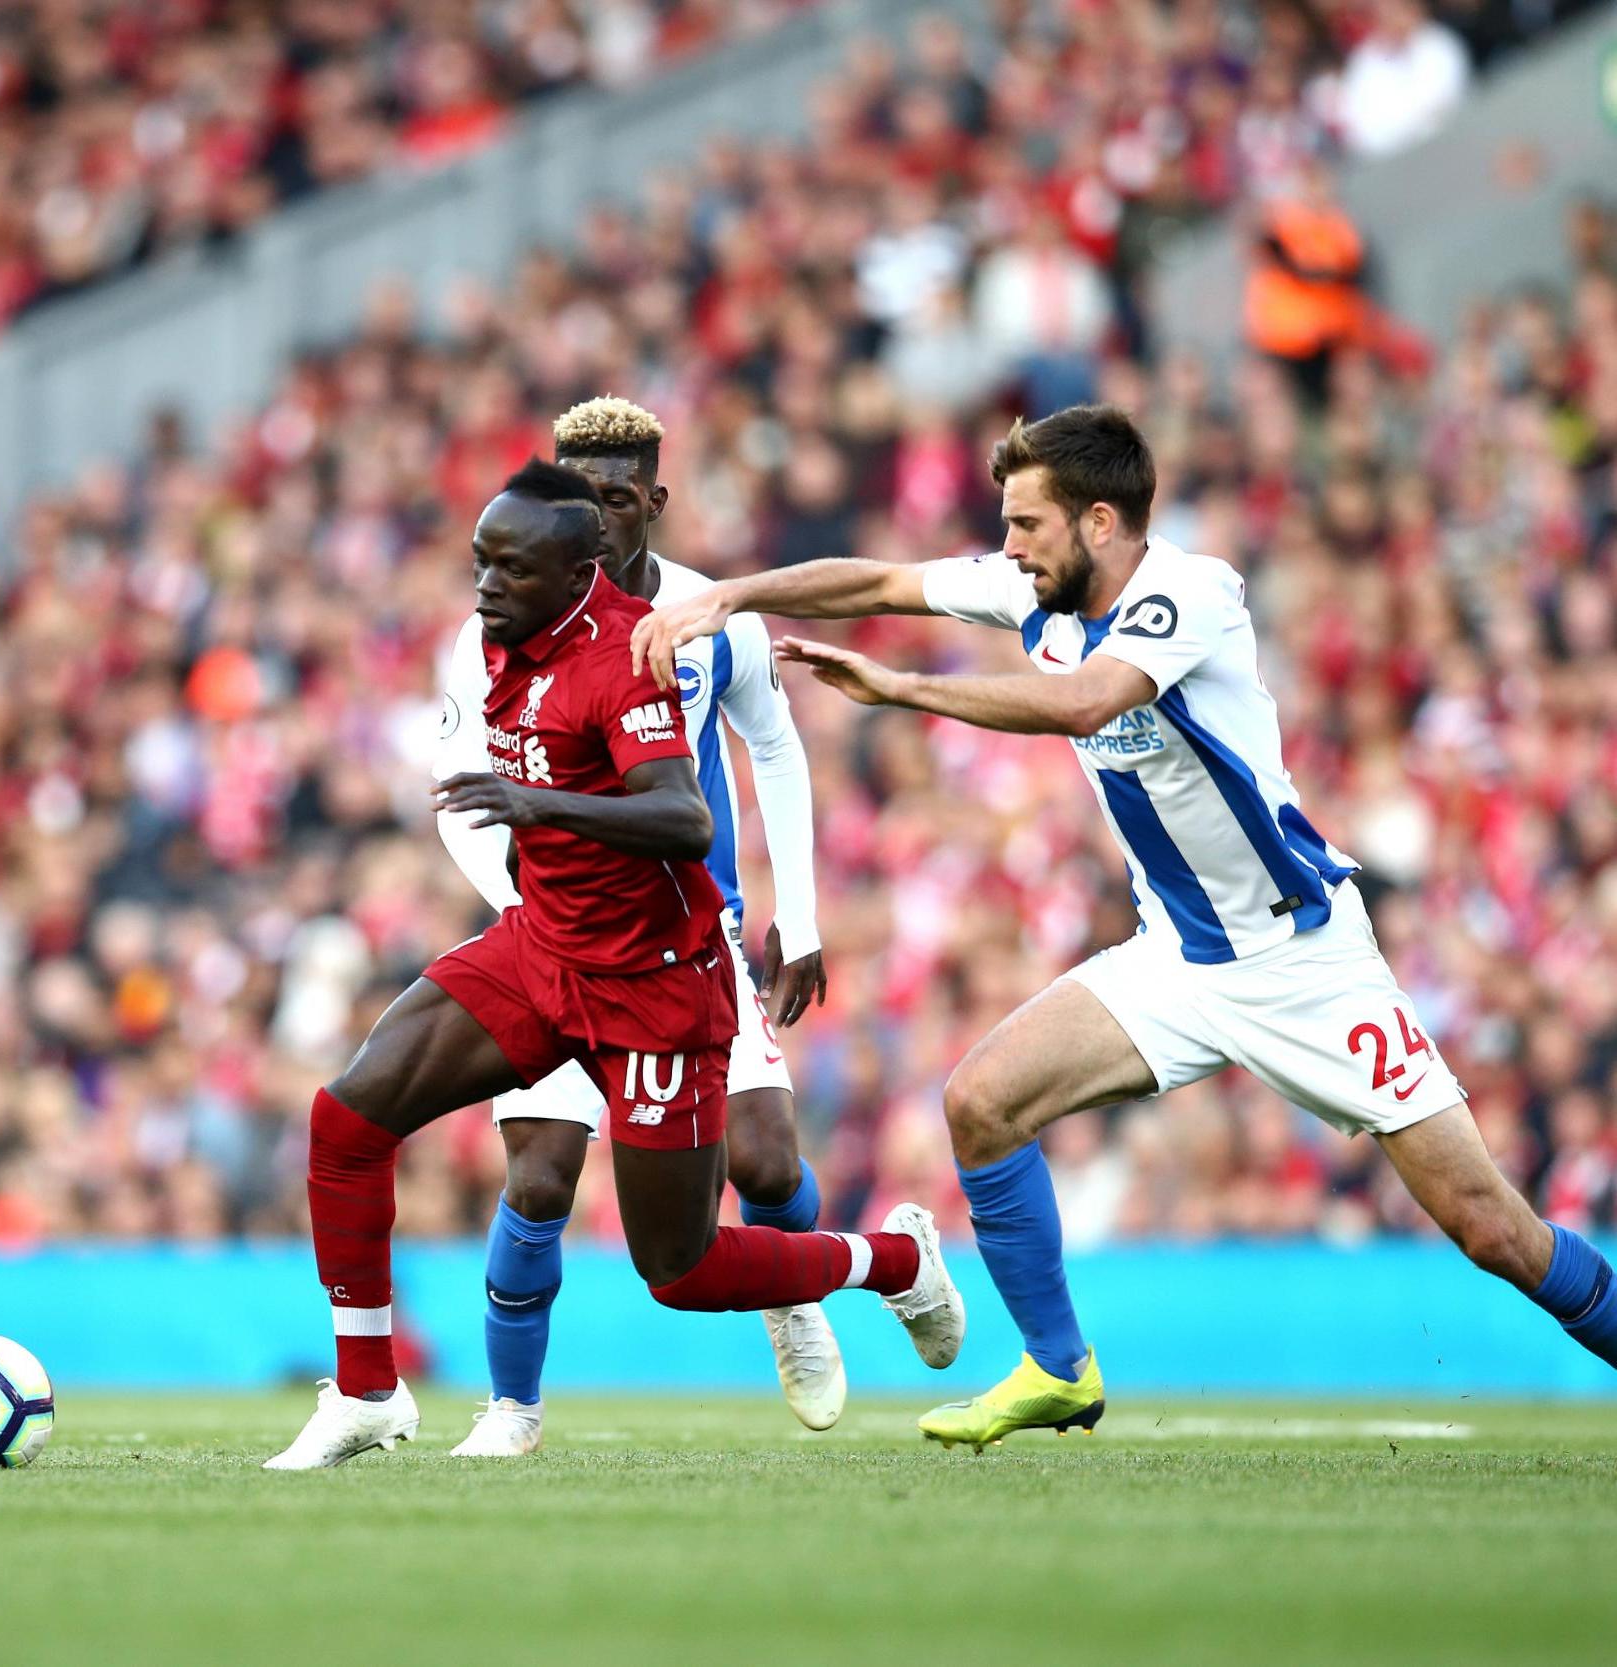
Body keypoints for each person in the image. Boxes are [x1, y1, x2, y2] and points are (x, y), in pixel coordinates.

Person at [632, 403, 1617, 1450]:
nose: (1007, 548)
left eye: (1025, 525)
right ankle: (1057, 1367)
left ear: (1098, 522)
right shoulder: (1030, 591)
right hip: (1177, 958)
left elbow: (1086, 704)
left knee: (1488, 1228)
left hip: (1305, 963)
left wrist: (902, 689)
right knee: (979, 1102)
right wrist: (724, 596)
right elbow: (877, 581)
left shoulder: (1190, 592)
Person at [266, 460, 961, 1470]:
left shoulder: (625, 657)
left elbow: (682, 815)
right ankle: (370, 1388)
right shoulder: (493, 642)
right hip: (540, 947)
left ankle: (894, 1259)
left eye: (510, 567)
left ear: (580, 569)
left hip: (654, 982)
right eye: (480, 560)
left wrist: (541, 807)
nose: (486, 584)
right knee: (348, 1119)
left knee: (677, 1266)